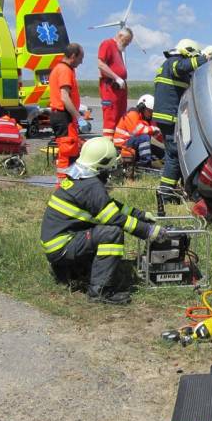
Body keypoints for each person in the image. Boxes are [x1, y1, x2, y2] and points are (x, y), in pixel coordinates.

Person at [40, 137, 165, 304]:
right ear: (102, 164)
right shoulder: (92, 186)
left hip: (60, 243)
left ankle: (77, 272)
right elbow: (113, 217)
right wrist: (147, 231)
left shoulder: (81, 179)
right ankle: (101, 291)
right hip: (62, 246)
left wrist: (140, 215)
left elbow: (109, 206)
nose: (112, 171)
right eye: (111, 166)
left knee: (105, 230)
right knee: (111, 233)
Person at [153, 39, 212, 196]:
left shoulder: (169, 65)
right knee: (175, 155)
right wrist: (205, 58)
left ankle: (170, 190)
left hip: (166, 117)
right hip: (169, 117)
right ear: (188, 51)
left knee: (174, 154)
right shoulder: (173, 62)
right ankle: (165, 194)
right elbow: (183, 67)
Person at [48, 43, 84, 182]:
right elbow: (64, 97)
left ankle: (69, 183)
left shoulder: (60, 68)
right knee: (68, 152)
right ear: (73, 56)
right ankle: (64, 186)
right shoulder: (65, 70)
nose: (81, 62)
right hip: (64, 116)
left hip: (62, 116)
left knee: (70, 151)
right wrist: (78, 117)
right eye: (80, 58)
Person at [98, 28, 133, 138]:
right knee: (111, 116)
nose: (127, 45)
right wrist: (116, 77)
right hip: (111, 87)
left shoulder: (118, 49)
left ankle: (117, 142)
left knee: (120, 116)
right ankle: (108, 145)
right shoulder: (107, 44)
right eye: (126, 41)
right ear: (120, 36)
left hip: (120, 88)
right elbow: (101, 64)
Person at [113, 94, 161, 167]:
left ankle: (165, 162)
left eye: (152, 111)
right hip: (122, 145)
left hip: (133, 143)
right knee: (145, 137)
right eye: (150, 111)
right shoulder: (132, 114)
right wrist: (153, 129)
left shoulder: (146, 118)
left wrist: (168, 141)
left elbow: (157, 134)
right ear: (142, 108)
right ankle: (145, 163)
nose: (151, 114)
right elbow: (136, 131)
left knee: (160, 151)